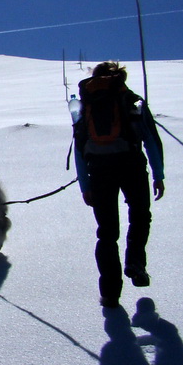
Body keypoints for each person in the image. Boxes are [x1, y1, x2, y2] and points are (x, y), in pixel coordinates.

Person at [73, 61, 165, 308]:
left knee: (107, 233)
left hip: (99, 170)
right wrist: (158, 174)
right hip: (131, 164)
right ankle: (135, 261)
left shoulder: (85, 106)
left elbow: (80, 150)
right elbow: (151, 139)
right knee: (140, 216)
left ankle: (110, 293)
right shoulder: (131, 100)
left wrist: (85, 186)